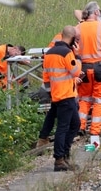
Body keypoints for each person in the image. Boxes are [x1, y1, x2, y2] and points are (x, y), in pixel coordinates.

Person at [41, 25, 82, 172]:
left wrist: (51, 92)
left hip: (57, 95)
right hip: (66, 95)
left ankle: (64, 155)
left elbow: (45, 76)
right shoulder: (67, 53)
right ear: (71, 38)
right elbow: (76, 71)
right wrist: (77, 56)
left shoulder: (50, 52)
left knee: (75, 124)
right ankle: (59, 159)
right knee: (64, 127)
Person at [76, 1, 101, 147]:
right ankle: (95, 131)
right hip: (100, 68)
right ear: (97, 12)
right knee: (99, 100)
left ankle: (80, 126)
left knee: (84, 99)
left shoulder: (79, 27)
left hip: (84, 68)